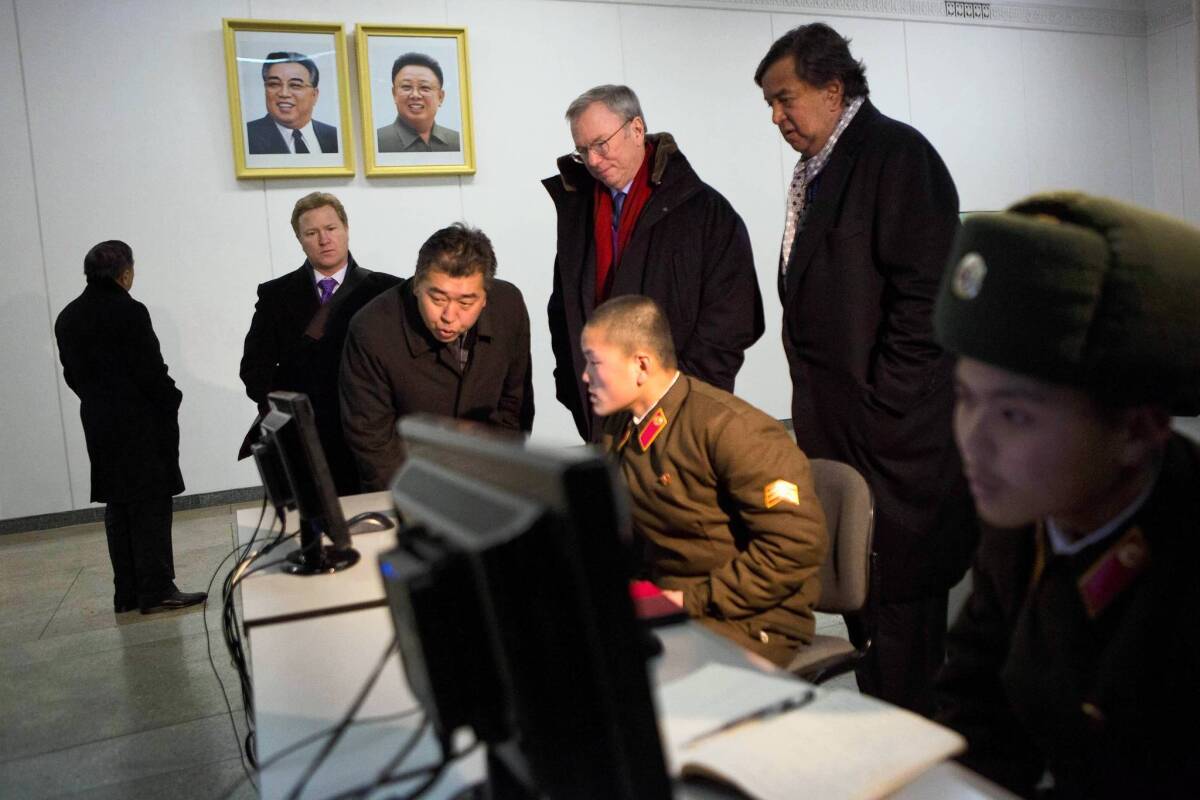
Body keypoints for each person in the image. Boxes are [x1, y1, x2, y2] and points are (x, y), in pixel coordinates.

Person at [931, 192, 1200, 797]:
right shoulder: (1023, 520)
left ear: (1137, 428)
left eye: (1015, 415)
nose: (972, 442)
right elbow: (976, 704)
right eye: (966, 399)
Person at [755, 23, 975, 713]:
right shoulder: (818, 172)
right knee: (871, 635)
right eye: (768, 102)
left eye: (784, 98)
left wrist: (885, 408)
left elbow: (926, 299)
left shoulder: (897, 156)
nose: (776, 116)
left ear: (832, 87)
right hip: (843, 438)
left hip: (898, 451)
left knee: (908, 649)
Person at [586, 296, 826, 667]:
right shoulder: (620, 428)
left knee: (620, 673)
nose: (585, 375)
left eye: (595, 362)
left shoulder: (729, 428)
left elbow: (796, 545)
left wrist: (689, 600)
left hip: (750, 619)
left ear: (641, 365)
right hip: (674, 605)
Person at [545, 84, 764, 442]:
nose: (594, 161)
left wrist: (685, 397)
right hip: (600, 408)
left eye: (601, 144)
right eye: (583, 151)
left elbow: (733, 319)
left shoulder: (706, 212)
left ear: (636, 129)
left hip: (683, 413)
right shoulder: (580, 212)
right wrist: (570, 382)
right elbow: (562, 307)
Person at [54, 241, 207, 614]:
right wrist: (172, 398)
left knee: (118, 506)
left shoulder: (68, 316)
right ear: (125, 272)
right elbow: (150, 370)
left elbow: (72, 375)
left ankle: (127, 592)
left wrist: (99, 402)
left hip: (100, 422)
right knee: (151, 504)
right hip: (141, 423)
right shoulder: (129, 310)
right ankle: (156, 589)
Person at [340, 223, 533, 491]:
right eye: (438, 299)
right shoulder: (371, 329)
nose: (449, 316)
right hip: (407, 480)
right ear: (417, 284)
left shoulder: (508, 306)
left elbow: (514, 406)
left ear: (485, 298)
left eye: (466, 303)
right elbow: (372, 439)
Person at [239, 192, 400, 495]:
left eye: (331, 228)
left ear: (346, 229)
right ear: (300, 239)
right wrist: (284, 410)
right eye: (311, 233)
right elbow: (253, 368)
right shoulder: (276, 295)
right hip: (303, 438)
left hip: (367, 435)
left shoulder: (387, 290)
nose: (324, 239)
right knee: (311, 528)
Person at [246, 51, 339, 155]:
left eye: (295, 85)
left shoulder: (335, 136)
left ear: (314, 94)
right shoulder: (246, 136)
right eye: (274, 84)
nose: (284, 93)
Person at [376, 53, 461, 153]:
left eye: (425, 87)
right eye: (406, 87)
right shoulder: (377, 142)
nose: (415, 95)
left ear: (440, 97)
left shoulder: (457, 142)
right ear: (394, 94)